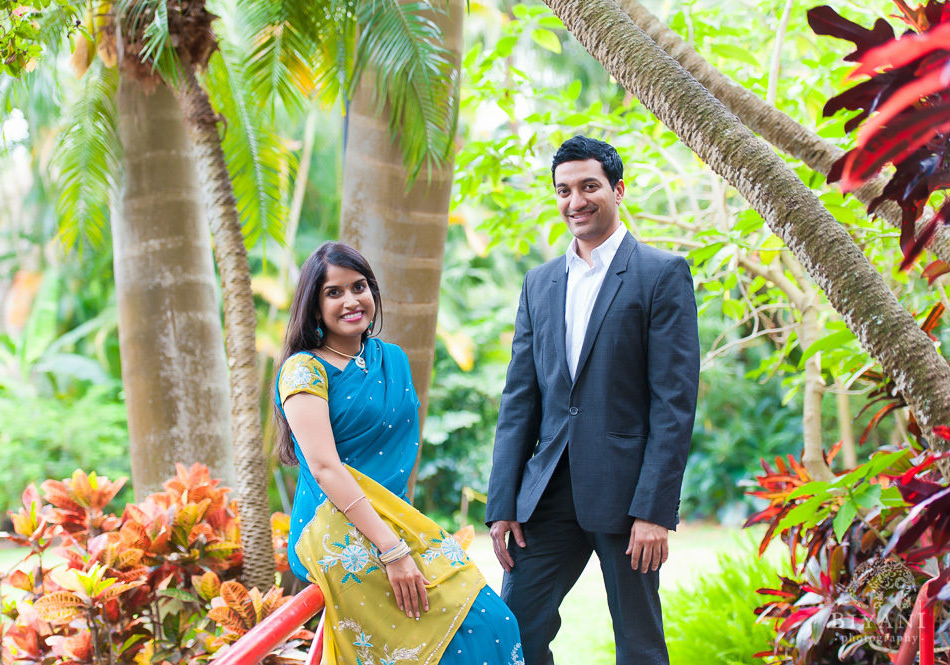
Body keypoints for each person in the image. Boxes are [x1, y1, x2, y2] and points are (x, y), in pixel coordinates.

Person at [485, 135, 700, 665]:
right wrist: (503, 503)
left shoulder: (661, 274)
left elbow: (674, 404)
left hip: (627, 500)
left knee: (639, 643)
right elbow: (519, 399)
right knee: (512, 633)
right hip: (548, 493)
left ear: (617, 189)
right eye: (563, 190)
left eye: (588, 186)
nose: (575, 201)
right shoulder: (538, 284)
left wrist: (654, 511)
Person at [273, 241, 524, 665]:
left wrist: (399, 541)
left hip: (395, 520)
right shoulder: (304, 370)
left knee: (495, 624)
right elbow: (323, 467)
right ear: (314, 307)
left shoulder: (391, 359)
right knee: (434, 645)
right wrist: (392, 550)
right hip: (333, 528)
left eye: (359, 286)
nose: (351, 300)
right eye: (333, 292)